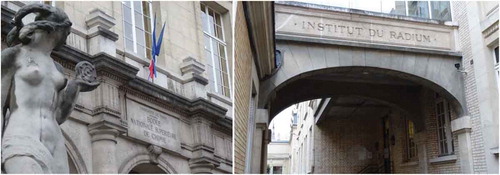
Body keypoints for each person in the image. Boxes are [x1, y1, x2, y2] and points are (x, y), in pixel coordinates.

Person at [1, 3, 99, 173]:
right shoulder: (13, 55)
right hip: (21, 139)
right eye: (66, 32)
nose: (67, 37)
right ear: (55, 29)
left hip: (56, 147)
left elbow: (58, 116)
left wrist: (76, 86)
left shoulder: (57, 69)